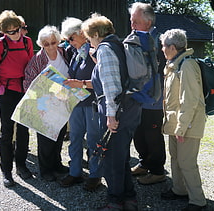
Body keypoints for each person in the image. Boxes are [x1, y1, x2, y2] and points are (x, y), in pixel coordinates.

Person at [81, 14, 142, 210]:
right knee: (121, 156)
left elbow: (111, 86)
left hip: (117, 112)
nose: (90, 41)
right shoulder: (117, 45)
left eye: (90, 37)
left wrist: (110, 116)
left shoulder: (105, 50)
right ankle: (129, 197)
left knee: (112, 159)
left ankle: (115, 201)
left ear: (97, 34)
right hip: (130, 109)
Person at [0, 10, 34, 187]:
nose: (15, 34)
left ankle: (21, 165)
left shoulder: (27, 42)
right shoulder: (0, 44)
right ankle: (6, 171)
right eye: (10, 32)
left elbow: (30, 65)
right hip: (8, 92)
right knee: (7, 132)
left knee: (23, 130)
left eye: (17, 29)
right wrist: (0, 88)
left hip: (24, 89)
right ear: (4, 32)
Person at [159, 29, 207, 211]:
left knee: (187, 163)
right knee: (176, 158)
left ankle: (198, 201)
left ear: (172, 47)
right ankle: (179, 190)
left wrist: (182, 127)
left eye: (163, 46)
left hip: (187, 124)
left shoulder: (186, 66)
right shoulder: (174, 65)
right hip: (176, 122)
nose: (162, 49)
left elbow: (190, 100)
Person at [58, 17, 101, 191]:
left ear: (82, 34)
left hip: (92, 104)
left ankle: (95, 175)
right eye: (67, 40)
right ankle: (75, 172)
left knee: (93, 140)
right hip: (77, 103)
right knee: (75, 138)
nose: (69, 43)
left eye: (71, 39)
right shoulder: (76, 53)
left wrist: (81, 83)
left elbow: (102, 80)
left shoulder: (94, 52)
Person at [23, 25, 70, 182]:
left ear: (58, 41)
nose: (50, 46)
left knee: (60, 134)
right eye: (46, 44)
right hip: (45, 102)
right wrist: (39, 100)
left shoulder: (64, 53)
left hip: (63, 101)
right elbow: (28, 81)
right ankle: (45, 169)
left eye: (53, 42)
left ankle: (57, 164)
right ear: (41, 44)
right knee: (45, 138)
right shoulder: (38, 59)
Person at [128, 2, 166, 185]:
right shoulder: (133, 38)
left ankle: (158, 171)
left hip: (153, 99)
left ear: (149, 23)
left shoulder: (161, 41)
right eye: (131, 20)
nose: (132, 24)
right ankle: (144, 163)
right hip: (136, 98)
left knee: (152, 135)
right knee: (138, 133)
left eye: (136, 21)